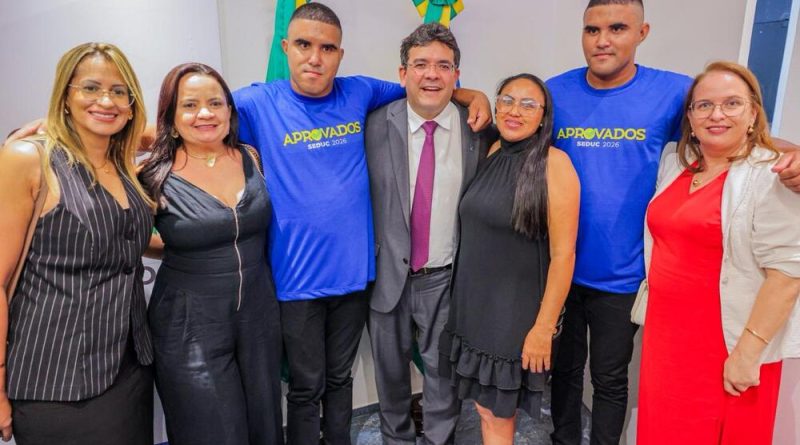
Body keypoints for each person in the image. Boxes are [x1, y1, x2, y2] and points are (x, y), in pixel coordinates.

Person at [230, 3, 490, 444]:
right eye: (304, 45)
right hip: (304, 280)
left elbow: (429, 88)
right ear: (285, 47)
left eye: (327, 48)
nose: (315, 58)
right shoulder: (258, 102)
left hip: (361, 278)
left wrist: (474, 95)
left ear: (340, 53)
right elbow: (200, 117)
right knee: (310, 387)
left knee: (345, 380)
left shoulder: (360, 94)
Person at [546, 2, 800, 443]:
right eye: (592, 30)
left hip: (624, 277)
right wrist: (472, 97)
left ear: (642, 32)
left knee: (610, 380)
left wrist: (794, 153)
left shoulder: (674, 91)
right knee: (563, 373)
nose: (603, 40)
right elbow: (514, 126)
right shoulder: (556, 91)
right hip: (561, 269)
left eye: (617, 28)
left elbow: (726, 125)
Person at [637, 61, 800, 445]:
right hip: (667, 339)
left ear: (753, 113)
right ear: (691, 118)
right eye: (704, 105)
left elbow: (788, 273)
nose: (716, 114)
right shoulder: (675, 165)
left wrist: (747, 353)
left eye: (731, 104)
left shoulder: (770, 175)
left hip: (729, 343)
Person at [0, 42, 154, 445]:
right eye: (90, 88)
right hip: (55, 380)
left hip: (129, 370)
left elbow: (124, 243)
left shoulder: (124, 165)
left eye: (119, 91)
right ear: (64, 95)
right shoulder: (28, 158)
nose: (106, 100)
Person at [138, 63, 283, 445]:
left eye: (215, 103)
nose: (205, 113)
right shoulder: (152, 174)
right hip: (189, 322)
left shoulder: (250, 156)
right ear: (171, 116)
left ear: (229, 110)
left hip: (258, 315)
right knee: (211, 429)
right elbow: (132, 238)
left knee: (265, 422)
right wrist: (181, 247)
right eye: (190, 105)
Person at [365, 23, 493, 445]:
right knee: (390, 377)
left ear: (457, 75)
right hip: (387, 274)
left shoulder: (479, 131)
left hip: (447, 277)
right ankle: (396, 439)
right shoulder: (373, 125)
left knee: (443, 377)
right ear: (403, 73)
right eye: (420, 64)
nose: (432, 74)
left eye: (443, 65)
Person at [439, 73, 580, 445]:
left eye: (528, 104)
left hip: (512, 315)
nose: (515, 111)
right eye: (507, 100)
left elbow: (564, 255)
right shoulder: (492, 150)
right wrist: (475, 94)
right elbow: (449, 93)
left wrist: (543, 328)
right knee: (484, 410)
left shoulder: (554, 165)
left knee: (497, 413)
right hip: (474, 308)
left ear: (544, 116)